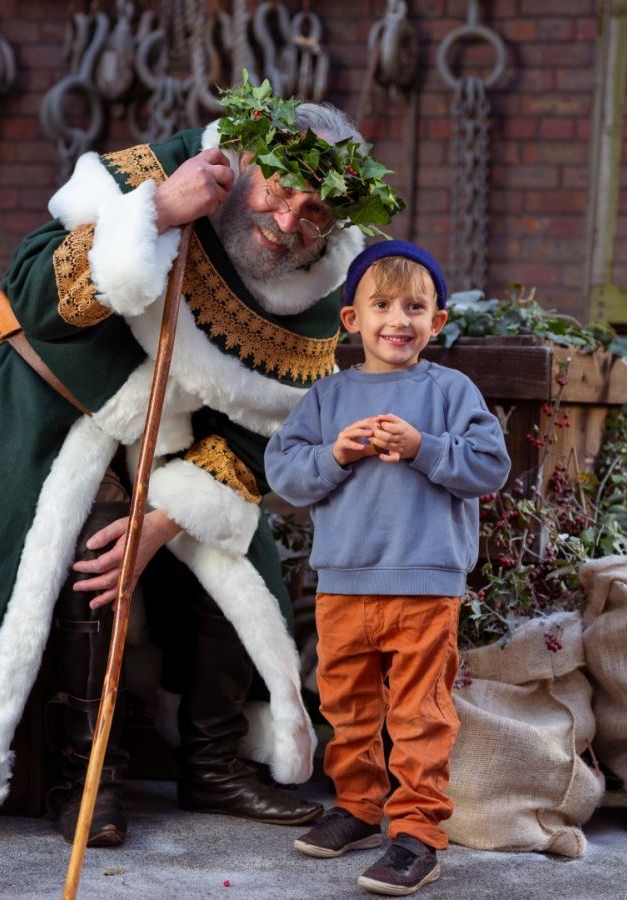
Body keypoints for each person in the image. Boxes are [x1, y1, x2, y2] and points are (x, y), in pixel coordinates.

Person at [0, 83, 403, 848]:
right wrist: (159, 213)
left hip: (169, 443)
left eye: (314, 213)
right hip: (48, 405)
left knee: (232, 552)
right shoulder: (160, 170)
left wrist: (169, 517)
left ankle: (212, 765)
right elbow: (32, 292)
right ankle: (85, 779)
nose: (287, 223)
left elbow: (275, 427)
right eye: (279, 193)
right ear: (244, 163)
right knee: (91, 548)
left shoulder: (318, 284)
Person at [264, 241, 510, 895]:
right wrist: (335, 456)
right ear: (351, 320)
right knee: (347, 706)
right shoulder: (328, 398)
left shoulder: (451, 391)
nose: (398, 319)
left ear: (438, 321)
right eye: (382, 305)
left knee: (419, 713)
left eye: (415, 307)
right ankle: (359, 807)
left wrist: (424, 447)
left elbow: (490, 466)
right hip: (344, 582)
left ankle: (417, 834)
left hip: (426, 585)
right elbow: (284, 471)